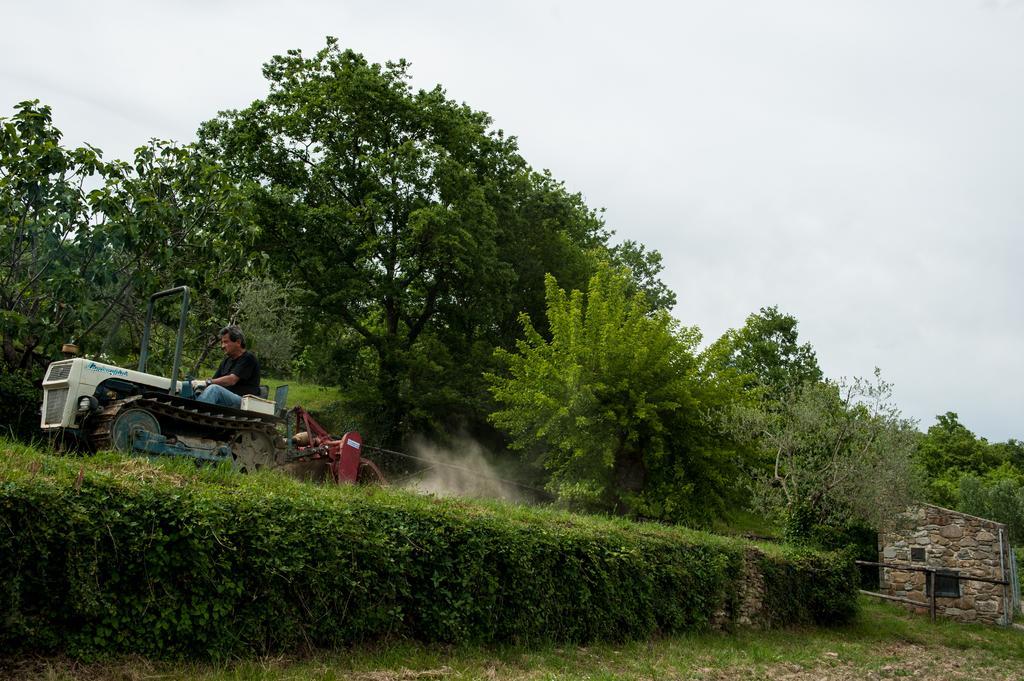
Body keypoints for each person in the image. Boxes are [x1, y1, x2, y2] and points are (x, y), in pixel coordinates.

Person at [193, 325, 261, 408]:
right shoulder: (226, 361)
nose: (222, 346)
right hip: (227, 399)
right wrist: (196, 384)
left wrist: (207, 382)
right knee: (193, 389)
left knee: (214, 389)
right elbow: (214, 380)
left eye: (225, 342)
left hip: (244, 402)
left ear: (238, 342)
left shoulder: (248, 358)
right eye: (222, 342)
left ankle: (196, 413)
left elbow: (231, 380)